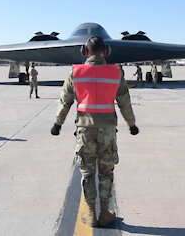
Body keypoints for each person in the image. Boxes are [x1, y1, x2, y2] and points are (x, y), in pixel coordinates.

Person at [50, 36, 139, 227]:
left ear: (84, 51)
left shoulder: (76, 72)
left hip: (85, 129)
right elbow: (124, 101)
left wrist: (57, 123)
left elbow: (65, 101)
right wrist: (132, 125)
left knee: (87, 173)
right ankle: (105, 212)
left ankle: (90, 214)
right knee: (106, 172)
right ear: (105, 51)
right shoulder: (115, 72)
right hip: (107, 131)